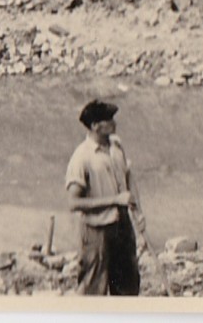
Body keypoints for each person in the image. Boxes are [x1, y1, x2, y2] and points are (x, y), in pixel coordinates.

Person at [66, 99, 146, 295]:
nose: (114, 123)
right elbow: (74, 203)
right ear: (95, 126)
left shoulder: (116, 146)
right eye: (108, 120)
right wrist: (114, 200)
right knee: (94, 287)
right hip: (97, 231)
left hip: (122, 225)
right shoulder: (81, 157)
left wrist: (138, 212)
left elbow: (128, 176)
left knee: (127, 284)